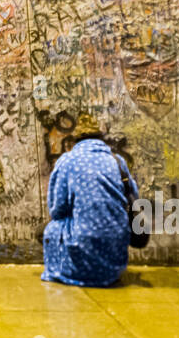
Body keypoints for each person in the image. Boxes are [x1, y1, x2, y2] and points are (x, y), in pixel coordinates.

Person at [41, 112, 137, 288]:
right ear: (100, 139)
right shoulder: (117, 161)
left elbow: (57, 210)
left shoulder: (68, 161)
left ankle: (71, 269)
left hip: (82, 249)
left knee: (49, 230)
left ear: (76, 140)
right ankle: (104, 269)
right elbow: (133, 197)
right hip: (114, 266)